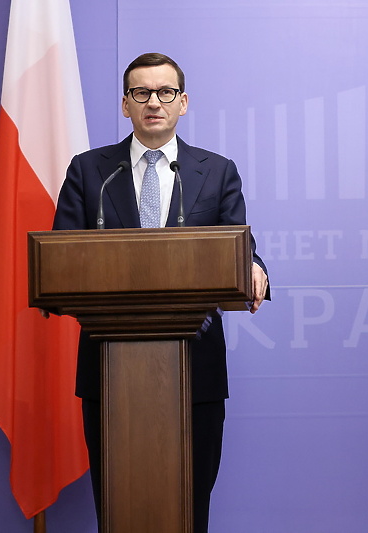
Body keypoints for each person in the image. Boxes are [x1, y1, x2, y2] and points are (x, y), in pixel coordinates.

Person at [52, 52, 269, 532]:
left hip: (197, 369)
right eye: (141, 93)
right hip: (109, 368)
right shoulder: (90, 172)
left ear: (183, 102)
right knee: (117, 501)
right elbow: (62, 256)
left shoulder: (216, 171)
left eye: (165, 92)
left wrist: (254, 266)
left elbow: (238, 242)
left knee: (192, 502)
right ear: (125, 105)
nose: (154, 102)